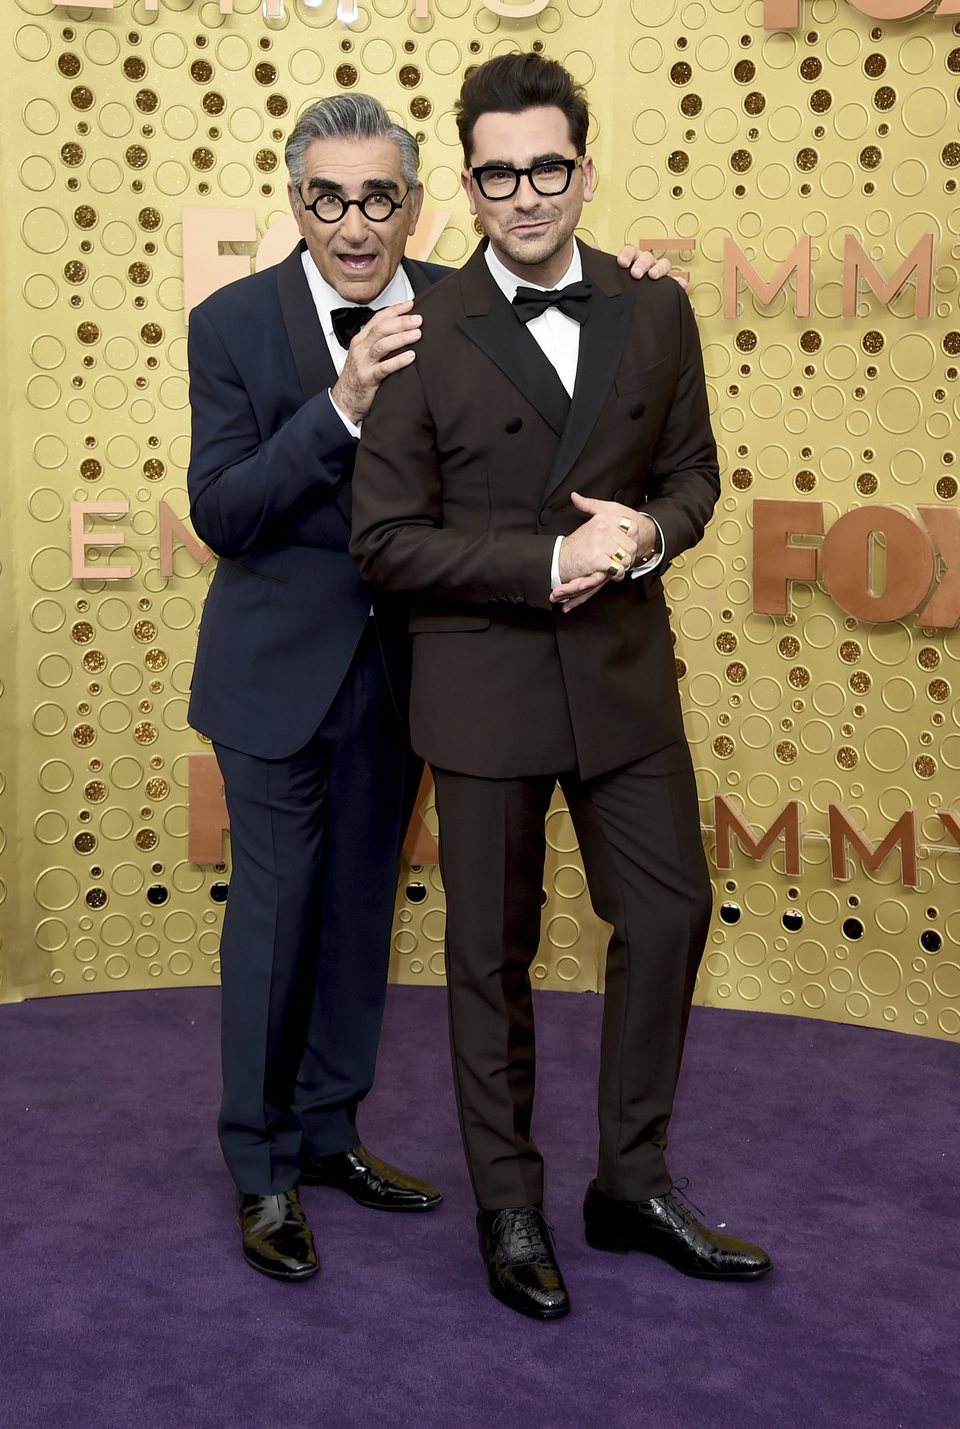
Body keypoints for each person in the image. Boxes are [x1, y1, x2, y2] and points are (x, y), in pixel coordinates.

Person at [186, 91, 676, 1282]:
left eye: (378, 197)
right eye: (327, 199)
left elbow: (575, 333)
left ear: (416, 200)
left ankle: (329, 1128)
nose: (355, 225)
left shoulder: (464, 303)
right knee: (275, 915)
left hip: (413, 674)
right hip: (276, 680)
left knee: (362, 915)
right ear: (295, 201)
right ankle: (260, 1169)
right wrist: (341, 405)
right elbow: (224, 511)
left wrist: (633, 276)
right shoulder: (234, 323)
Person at [351, 54, 772, 1320]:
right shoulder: (416, 330)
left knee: (672, 915)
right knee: (490, 954)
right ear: (468, 188)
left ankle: (629, 1183)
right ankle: (511, 1200)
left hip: (625, 682)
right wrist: (546, 558)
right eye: (498, 173)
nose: (525, 194)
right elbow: (383, 542)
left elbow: (695, 473)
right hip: (481, 686)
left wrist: (648, 534)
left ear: (583, 170)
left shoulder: (656, 308)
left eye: (547, 167)